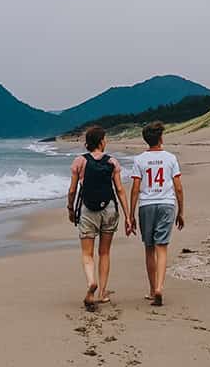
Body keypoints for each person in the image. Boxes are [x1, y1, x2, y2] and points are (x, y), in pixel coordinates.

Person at [66, 125, 128, 310]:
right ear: (101, 141)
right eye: (105, 138)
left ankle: (91, 281)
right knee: (104, 252)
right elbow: (119, 190)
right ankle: (102, 292)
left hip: (87, 210)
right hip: (109, 209)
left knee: (87, 253)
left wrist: (70, 208)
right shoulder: (112, 162)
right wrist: (128, 214)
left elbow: (72, 190)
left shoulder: (79, 161)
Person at [126, 120, 184, 306]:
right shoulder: (170, 158)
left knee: (149, 248)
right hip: (166, 204)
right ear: (161, 137)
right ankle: (159, 287)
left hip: (146, 205)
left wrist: (130, 214)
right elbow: (178, 187)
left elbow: (135, 188)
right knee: (162, 248)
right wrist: (181, 210)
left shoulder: (140, 160)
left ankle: (152, 291)